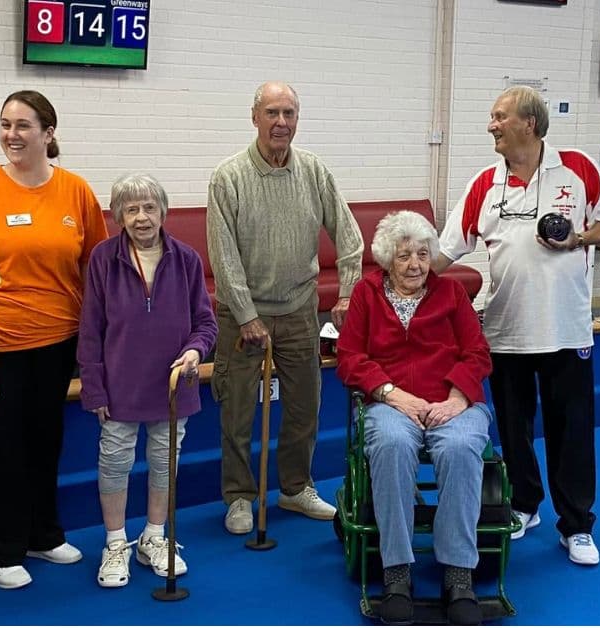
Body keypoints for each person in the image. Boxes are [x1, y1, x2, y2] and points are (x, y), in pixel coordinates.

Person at [433, 85, 600, 564]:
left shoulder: (578, 169)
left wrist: (578, 237)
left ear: (530, 124)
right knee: (514, 429)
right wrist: (393, 277)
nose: (491, 125)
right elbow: (444, 251)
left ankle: (576, 525)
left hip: (566, 330)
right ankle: (524, 504)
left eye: (499, 117)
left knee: (571, 430)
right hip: (504, 330)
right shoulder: (484, 183)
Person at [0, 90, 109, 589]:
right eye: (4, 124)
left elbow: (97, 266)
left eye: (23, 125)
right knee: (1, 449)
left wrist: (100, 336)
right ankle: (0, 550)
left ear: (48, 133)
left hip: (58, 339)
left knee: (46, 442)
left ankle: (43, 535)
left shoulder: (76, 191)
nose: (11, 135)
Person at [207, 81, 364, 534]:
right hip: (242, 314)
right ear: (254, 117)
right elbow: (224, 257)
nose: (281, 123)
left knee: (304, 406)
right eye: (272, 113)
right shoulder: (228, 176)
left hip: (299, 310)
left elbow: (350, 239)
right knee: (237, 410)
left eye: (289, 114)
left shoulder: (314, 171)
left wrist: (349, 292)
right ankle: (238, 496)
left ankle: (295, 488)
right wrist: (247, 315)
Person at [337, 211, 493, 626]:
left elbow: (477, 352)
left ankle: (458, 573)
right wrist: (390, 393)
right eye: (404, 255)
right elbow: (350, 358)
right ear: (388, 258)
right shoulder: (367, 294)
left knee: (461, 447)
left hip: (451, 400)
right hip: (391, 402)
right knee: (391, 444)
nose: (415, 265)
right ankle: (397, 572)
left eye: (423, 254)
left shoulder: (451, 294)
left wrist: (459, 396)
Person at [77, 173, 217, 587]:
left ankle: (154, 537)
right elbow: (91, 330)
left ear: (163, 212)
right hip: (120, 387)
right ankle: (116, 543)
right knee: (115, 463)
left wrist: (195, 351)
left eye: (149, 208)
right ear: (119, 215)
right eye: (132, 209)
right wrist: (94, 386)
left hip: (174, 387)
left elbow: (205, 324)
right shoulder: (103, 258)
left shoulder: (187, 258)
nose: (141, 217)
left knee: (164, 462)